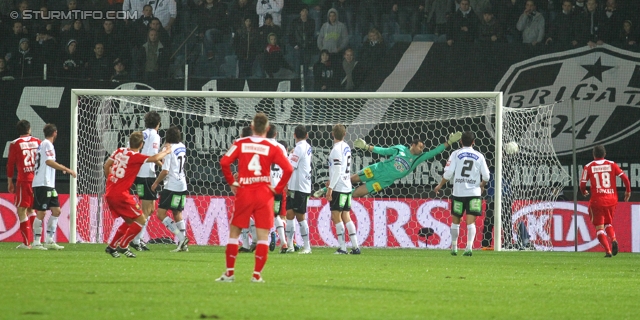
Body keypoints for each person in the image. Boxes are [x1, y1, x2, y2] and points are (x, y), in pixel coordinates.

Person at [217, 113, 293, 282]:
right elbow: (288, 169)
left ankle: (229, 273)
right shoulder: (272, 147)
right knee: (263, 236)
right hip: (264, 194)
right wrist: (278, 189)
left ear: (251, 127)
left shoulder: (240, 143)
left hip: (245, 191)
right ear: (267, 129)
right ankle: (256, 275)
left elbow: (224, 162)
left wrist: (231, 182)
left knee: (234, 232)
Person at [316, 132, 462, 198]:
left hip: (384, 181)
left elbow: (434, 152)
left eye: (422, 148)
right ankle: (325, 189)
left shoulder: (418, 158)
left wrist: (449, 143)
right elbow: (384, 151)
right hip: (376, 169)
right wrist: (367, 147)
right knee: (352, 179)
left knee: (355, 194)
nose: (421, 149)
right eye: (420, 147)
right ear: (413, 145)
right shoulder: (400, 149)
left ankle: (333, 194)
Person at [103, 132, 172, 258]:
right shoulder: (136, 156)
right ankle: (123, 246)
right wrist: (167, 151)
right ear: (141, 144)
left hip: (110, 192)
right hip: (121, 195)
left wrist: (112, 181)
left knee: (130, 221)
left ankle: (112, 247)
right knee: (141, 219)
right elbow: (155, 158)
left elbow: (106, 165)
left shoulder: (119, 151)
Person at [434, 131, 490, 257]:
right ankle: (469, 247)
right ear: (473, 142)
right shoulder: (479, 156)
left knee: (455, 221)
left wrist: (440, 185)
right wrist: (481, 185)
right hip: (474, 193)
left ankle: (454, 247)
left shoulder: (455, 154)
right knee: (471, 222)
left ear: (460, 142)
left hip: (458, 193)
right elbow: (486, 175)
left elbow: (448, 174)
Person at [31, 124, 77, 250]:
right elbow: (48, 161)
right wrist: (66, 169)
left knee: (57, 211)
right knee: (41, 212)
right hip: (42, 183)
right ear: (55, 133)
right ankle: (36, 241)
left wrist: (59, 168)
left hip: (49, 184)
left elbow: (49, 162)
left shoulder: (44, 144)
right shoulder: (47, 144)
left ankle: (49, 240)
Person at [579, 145, 630, 258]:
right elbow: (625, 179)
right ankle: (613, 239)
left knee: (599, 228)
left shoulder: (588, 166)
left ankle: (608, 251)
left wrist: (584, 192)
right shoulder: (612, 164)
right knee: (608, 223)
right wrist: (628, 192)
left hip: (597, 201)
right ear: (604, 154)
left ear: (594, 154)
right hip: (611, 200)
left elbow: (582, 184)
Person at [151, 126, 190, 252]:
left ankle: (181, 238)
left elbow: (165, 170)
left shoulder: (169, 150)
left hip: (171, 186)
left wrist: (156, 182)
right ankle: (183, 244)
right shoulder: (182, 146)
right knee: (177, 212)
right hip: (182, 185)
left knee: (161, 214)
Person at [129, 111, 162, 251]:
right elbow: (153, 155)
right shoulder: (155, 135)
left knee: (151, 209)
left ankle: (138, 239)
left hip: (140, 174)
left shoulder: (140, 134)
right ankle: (135, 240)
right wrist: (164, 166)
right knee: (146, 209)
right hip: (147, 175)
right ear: (158, 124)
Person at [326, 124, 361, 254]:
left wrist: (330, 188)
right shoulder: (346, 147)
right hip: (347, 187)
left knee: (336, 216)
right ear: (345, 134)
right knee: (346, 215)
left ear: (332, 134)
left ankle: (342, 248)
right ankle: (355, 247)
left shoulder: (336, 150)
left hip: (339, 187)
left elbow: (337, 170)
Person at [6, 120, 41, 249]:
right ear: (29, 129)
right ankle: (36, 241)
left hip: (24, 180)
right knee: (31, 209)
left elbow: (10, 164)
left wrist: (10, 181)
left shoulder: (15, 144)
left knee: (21, 210)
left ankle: (27, 243)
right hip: (37, 180)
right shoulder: (38, 142)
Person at [284, 125, 313, 254]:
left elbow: (290, 166)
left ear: (294, 135)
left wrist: (288, 156)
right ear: (306, 135)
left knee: (300, 216)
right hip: (298, 186)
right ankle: (290, 246)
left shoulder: (299, 148)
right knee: (289, 214)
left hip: (299, 186)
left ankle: (307, 247)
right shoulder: (307, 147)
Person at [265, 124, 290, 253]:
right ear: (276, 134)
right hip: (278, 186)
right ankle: (284, 243)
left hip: (265, 186)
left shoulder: (262, 146)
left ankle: (271, 233)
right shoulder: (281, 147)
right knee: (276, 215)